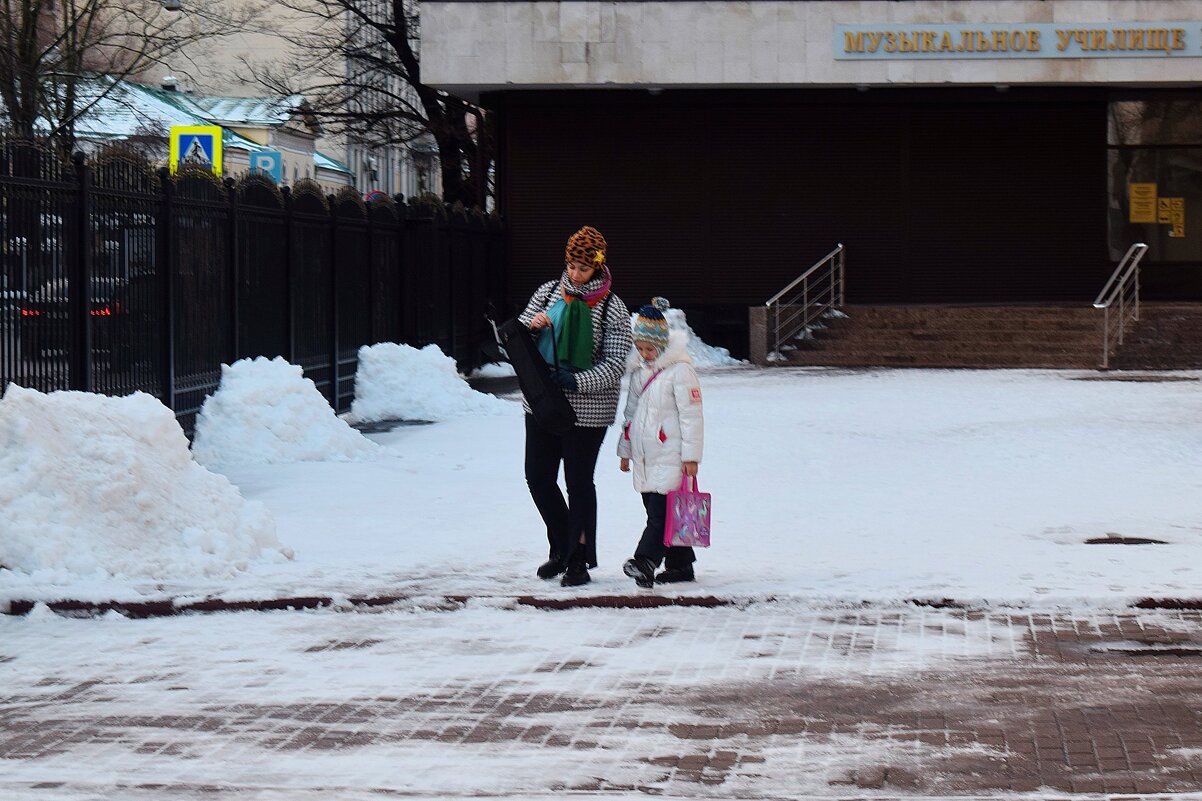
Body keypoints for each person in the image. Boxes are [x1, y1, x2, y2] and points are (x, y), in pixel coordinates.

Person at [518, 226, 633, 587]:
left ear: (597, 267)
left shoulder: (612, 308)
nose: (575, 273)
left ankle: (578, 559)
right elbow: (518, 336)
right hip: (542, 401)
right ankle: (561, 548)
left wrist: (577, 380)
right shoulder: (548, 292)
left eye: (583, 268)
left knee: (578, 482)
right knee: (538, 477)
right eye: (571, 264)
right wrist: (531, 327)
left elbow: (615, 364)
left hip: (588, 409)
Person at [617, 298, 704, 588]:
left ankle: (645, 561)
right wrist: (625, 451)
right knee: (663, 511)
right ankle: (681, 565)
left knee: (660, 514)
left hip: (671, 455)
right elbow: (630, 415)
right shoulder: (640, 371)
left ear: (663, 345)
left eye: (649, 348)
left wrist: (691, 457)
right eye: (640, 348)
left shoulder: (680, 371)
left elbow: (692, 416)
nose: (644, 354)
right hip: (645, 457)